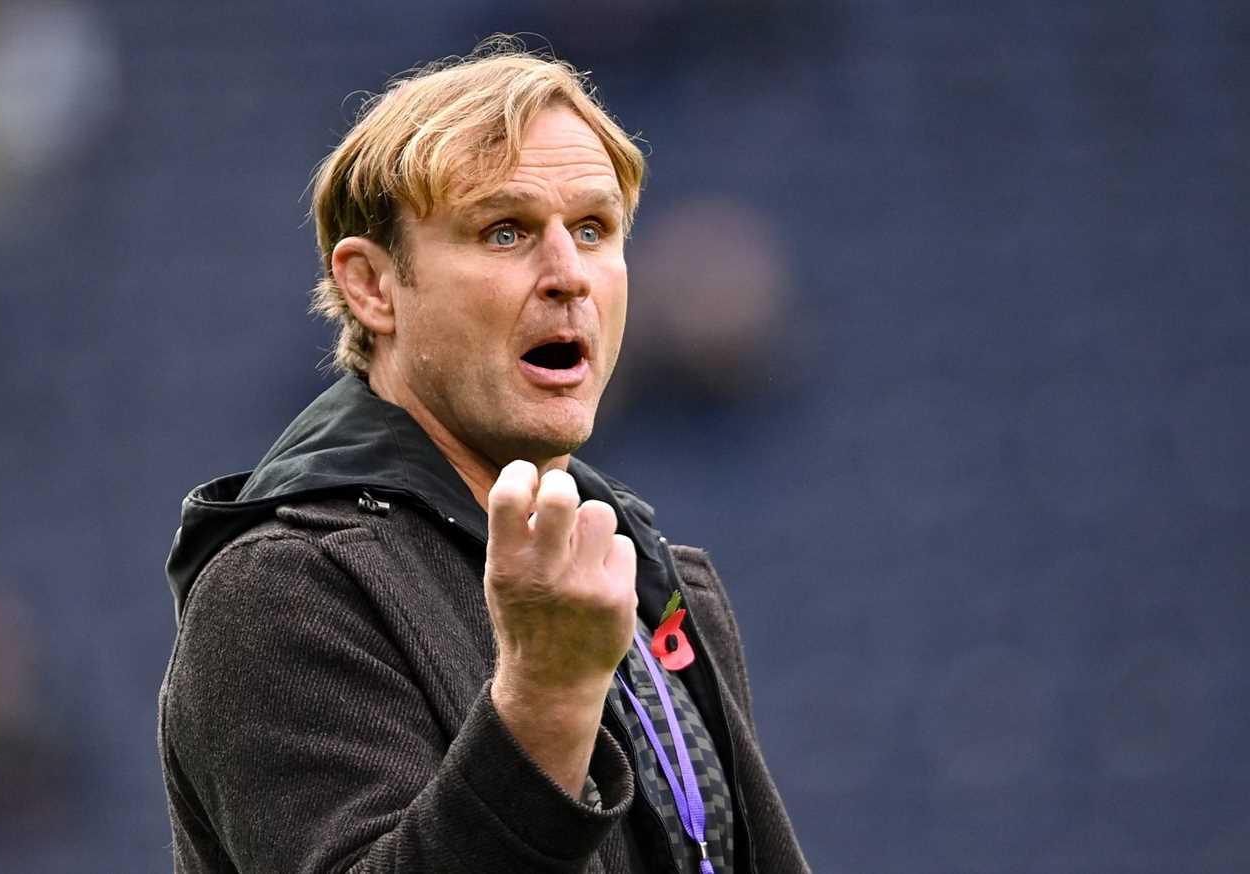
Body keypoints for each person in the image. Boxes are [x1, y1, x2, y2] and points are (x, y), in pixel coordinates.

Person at [159, 41, 810, 874]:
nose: (568, 274)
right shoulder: (281, 590)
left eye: (592, 228)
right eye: (504, 232)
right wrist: (546, 700)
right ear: (372, 286)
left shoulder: (658, 585)